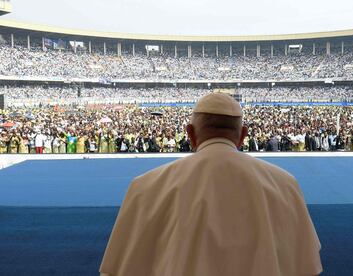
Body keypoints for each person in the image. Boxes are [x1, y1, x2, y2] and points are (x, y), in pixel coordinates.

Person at [100, 93, 322, 276]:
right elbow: (306, 264)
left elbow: (120, 267)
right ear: (242, 135)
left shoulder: (146, 186)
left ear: (190, 134)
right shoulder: (285, 184)